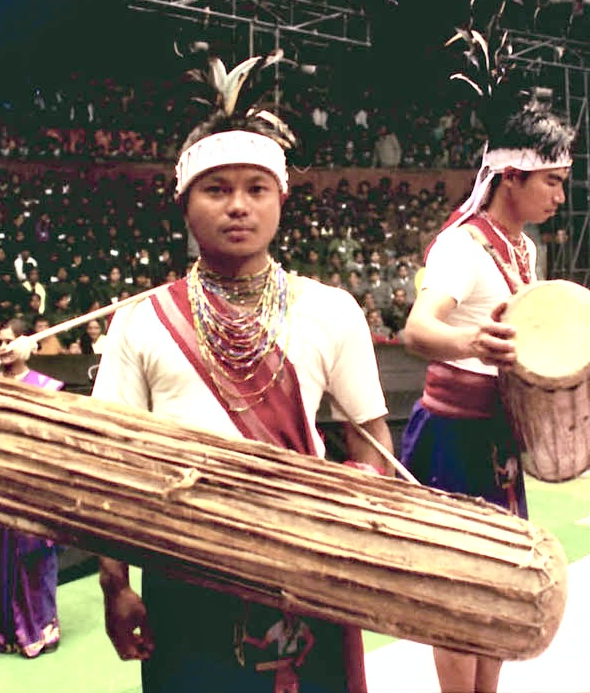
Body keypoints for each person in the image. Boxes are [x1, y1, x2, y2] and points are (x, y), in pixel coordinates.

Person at [91, 53, 393, 693]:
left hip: (308, 567)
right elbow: (110, 466)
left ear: (280, 199)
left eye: (256, 189)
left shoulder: (331, 310)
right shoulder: (140, 323)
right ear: (183, 200)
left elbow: (371, 442)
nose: (237, 207)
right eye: (216, 189)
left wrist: (349, 518)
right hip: (185, 570)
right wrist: (115, 585)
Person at [399, 90, 575, 693]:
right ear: (512, 176)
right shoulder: (462, 247)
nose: (559, 196)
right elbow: (418, 329)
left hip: (496, 435)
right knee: (455, 592)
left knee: (499, 583)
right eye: (551, 182)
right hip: (453, 436)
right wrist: (476, 343)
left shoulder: (524, 248)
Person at [0, 319, 63, 658]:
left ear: (26, 343)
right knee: (1, 558)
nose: (3, 347)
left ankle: (42, 628)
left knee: (36, 556)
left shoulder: (47, 387)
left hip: (35, 484)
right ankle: (6, 632)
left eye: (9, 341)